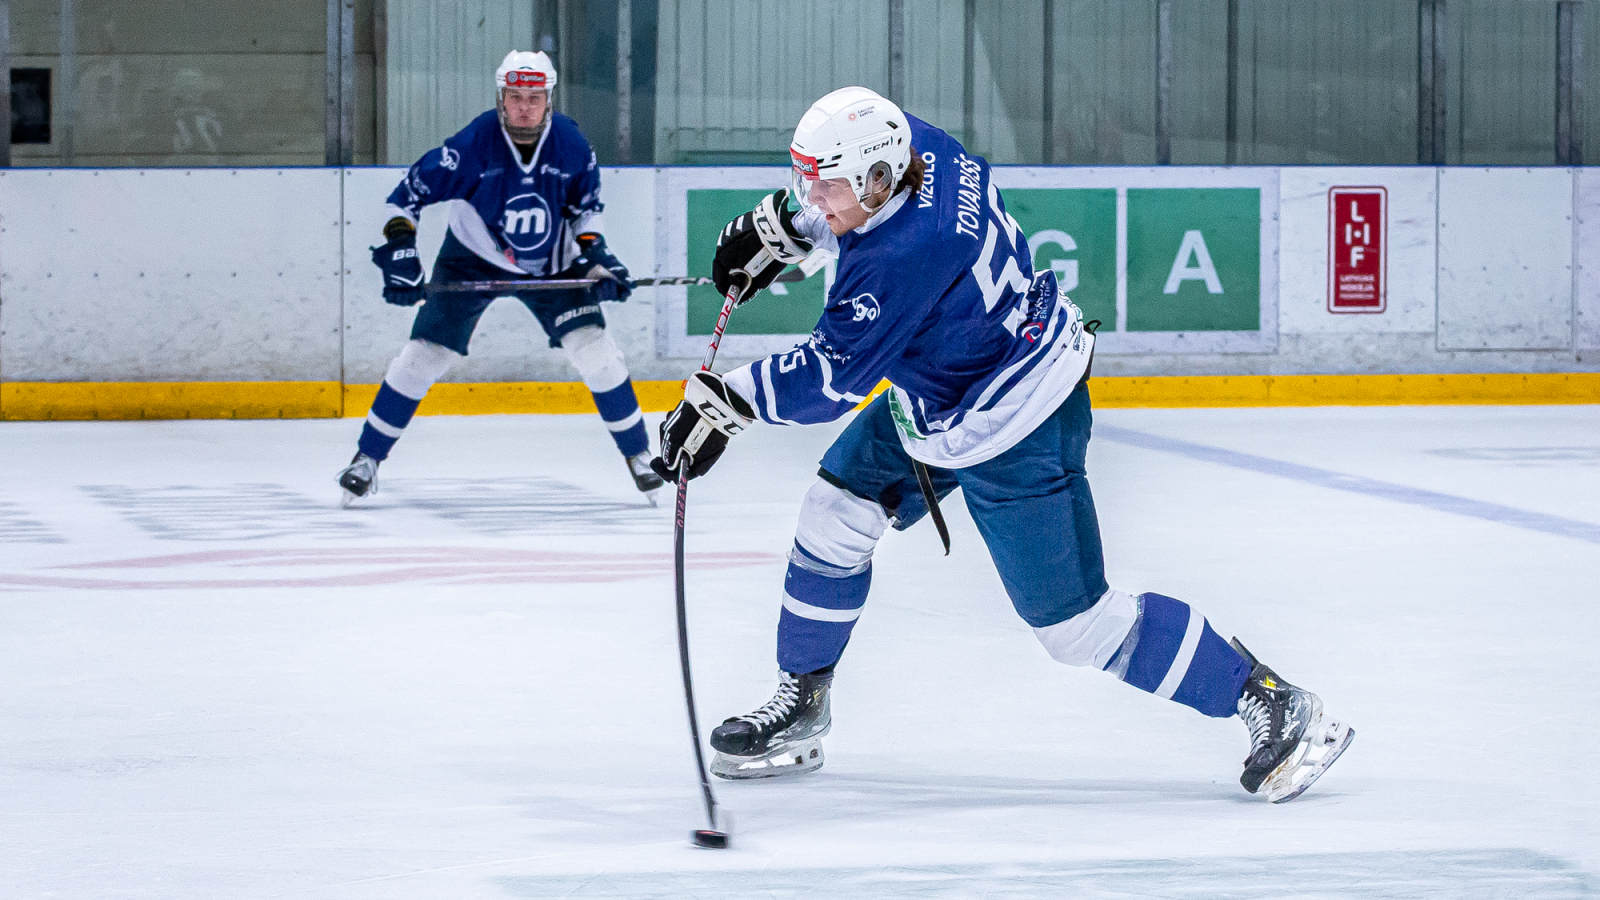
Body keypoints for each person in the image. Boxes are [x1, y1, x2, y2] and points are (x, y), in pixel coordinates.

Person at [651, 87, 1353, 802]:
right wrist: (786, 223)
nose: (814, 196)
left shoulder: (901, 258)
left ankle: (1270, 699)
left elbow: (826, 381)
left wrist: (723, 404)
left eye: (826, 186)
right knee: (834, 514)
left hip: (1018, 418)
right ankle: (802, 702)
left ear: (877, 178)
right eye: (808, 180)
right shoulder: (917, 142)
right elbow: (855, 204)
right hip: (944, 386)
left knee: (1078, 628)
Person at [338, 51, 663, 506]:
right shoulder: (472, 146)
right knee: (422, 357)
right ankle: (366, 460)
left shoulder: (571, 144)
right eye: (515, 97)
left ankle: (639, 455)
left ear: (549, 100)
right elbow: (405, 197)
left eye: (534, 97)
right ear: (501, 98)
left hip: (552, 264)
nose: (524, 107)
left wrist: (597, 261)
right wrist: (401, 252)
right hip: (471, 258)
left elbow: (585, 212)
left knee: (597, 353)